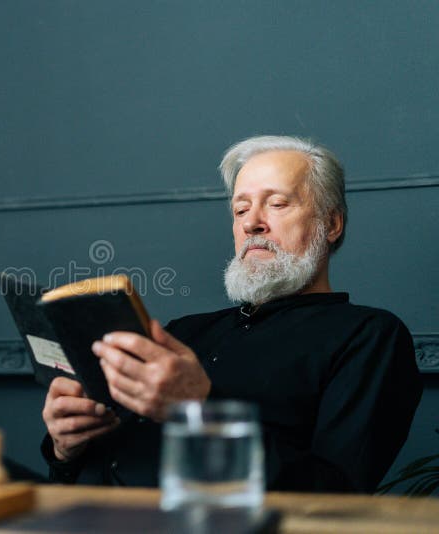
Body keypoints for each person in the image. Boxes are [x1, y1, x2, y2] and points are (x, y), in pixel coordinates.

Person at [40, 135, 423, 492]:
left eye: (277, 204)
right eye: (240, 209)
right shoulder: (182, 332)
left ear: (331, 224)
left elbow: (336, 496)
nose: (251, 222)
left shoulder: (369, 335)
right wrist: (64, 449)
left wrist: (199, 409)